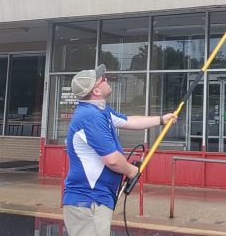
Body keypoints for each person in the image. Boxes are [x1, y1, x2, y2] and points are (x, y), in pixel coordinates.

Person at [63, 64, 177, 236]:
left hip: (95, 200)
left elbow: (129, 121)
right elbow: (113, 161)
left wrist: (162, 119)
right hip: (88, 201)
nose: (107, 79)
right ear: (96, 91)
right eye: (102, 79)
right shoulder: (91, 117)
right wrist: (132, 171)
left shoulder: (100, 111)